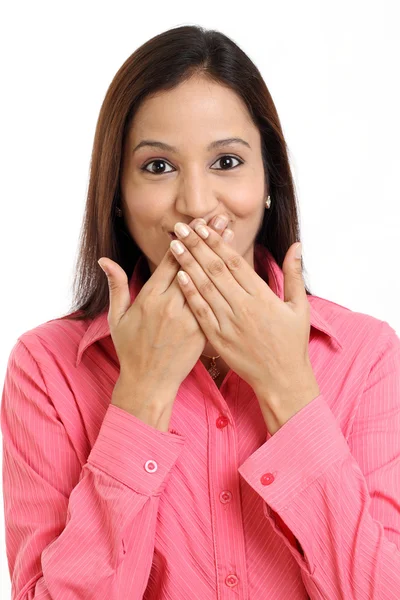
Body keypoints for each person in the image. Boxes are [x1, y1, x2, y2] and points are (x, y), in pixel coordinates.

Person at [1, 24, 400, 600]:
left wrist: (288, 390)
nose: (194, 203)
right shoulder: (46, 368)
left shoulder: (367, 356)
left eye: (227, 162)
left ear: (270, 182)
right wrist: (141, 396)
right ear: (117, 190)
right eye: (158, 167)